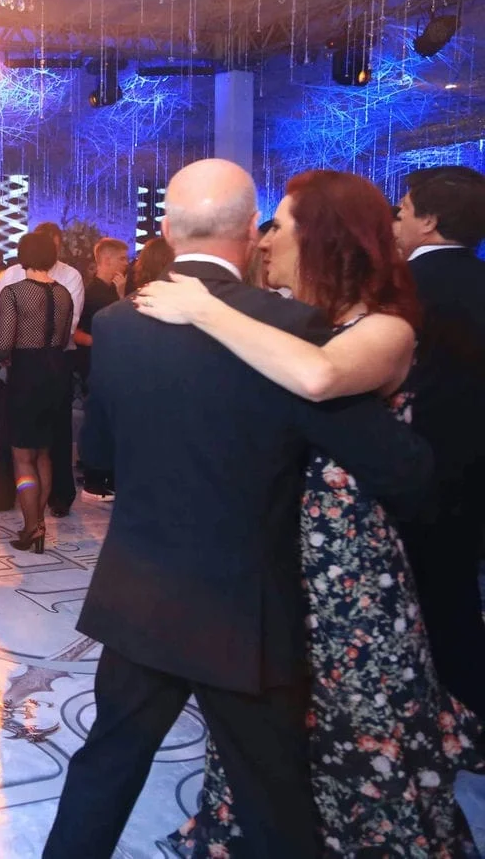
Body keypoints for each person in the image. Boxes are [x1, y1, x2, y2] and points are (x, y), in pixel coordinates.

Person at [43, 159, 435, 859]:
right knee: (272, 797)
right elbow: (397, 465)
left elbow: (97, 455)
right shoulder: (293, 326)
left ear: (167, 230)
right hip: (242, 606)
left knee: (106, 763)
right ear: (251, 230)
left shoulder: (118, 323)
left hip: (139, 588)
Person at [137, 169, 483, 856]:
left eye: (280, 226)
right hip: (273, 549)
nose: (265, 241)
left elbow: (318, 376)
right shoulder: (289, 319)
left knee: (351, 713)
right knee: (266, 716)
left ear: (324, 239)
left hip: (347, 568)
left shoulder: (385, 329)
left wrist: (204, 308)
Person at [392, 165, 485, 720]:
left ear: (428, 221)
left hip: (410, 473)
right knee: (456, 600)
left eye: (402, 211)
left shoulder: (400, 290)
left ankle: (424, 724)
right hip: (473, 472)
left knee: (410, 607)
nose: (396, 221)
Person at [0, 223, 83, 516]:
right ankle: (22, 508)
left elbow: (2, 340)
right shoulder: (61, 291)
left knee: (26, 451)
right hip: (52, 368)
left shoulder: (17, 290)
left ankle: (34, 523)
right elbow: (64, 332)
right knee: (42, 452)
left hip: (25, 370)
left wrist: (8, 352)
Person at [73, 237, 128, 501]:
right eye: (122, 259)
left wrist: (121, 294)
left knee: (108, 421)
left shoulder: (112, 291)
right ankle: (94, 478)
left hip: (111, 364)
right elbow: (74, 332)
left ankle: (105, 476)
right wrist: (99, 341)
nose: (126, 264)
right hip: (93, 365)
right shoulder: (90, 292)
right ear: (106, 260)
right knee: (98, 420)